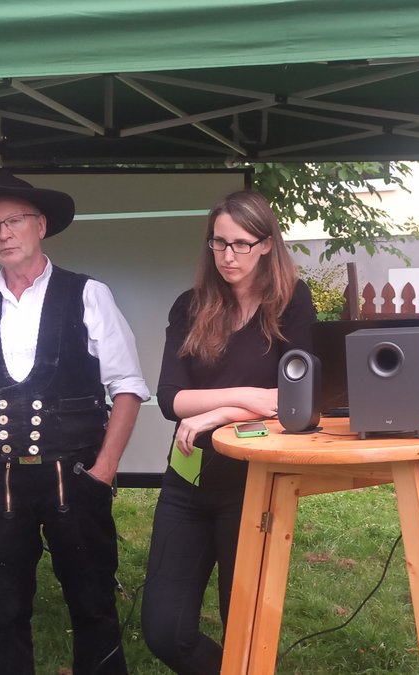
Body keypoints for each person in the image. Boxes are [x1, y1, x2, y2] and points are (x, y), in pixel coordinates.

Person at [0, 171, 150, 675]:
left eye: (14, 220)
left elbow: (129, 387)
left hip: (74, 478)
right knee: (3, 614)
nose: (4, 233)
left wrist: (105, 471)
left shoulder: (89, 294)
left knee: (94, 605)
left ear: (40, 224)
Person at [140, 190, 316, 674]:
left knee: (247, 626)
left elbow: (298, 400)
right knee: (164, 632)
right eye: (218, 243)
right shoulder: (190, 306)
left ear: (266, 244)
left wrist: (218, 414)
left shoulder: (292, 304)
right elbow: (171, 399)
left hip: (253, 484)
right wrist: (250, 399)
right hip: (187, 479)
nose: (228, 256)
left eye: (240, 243)